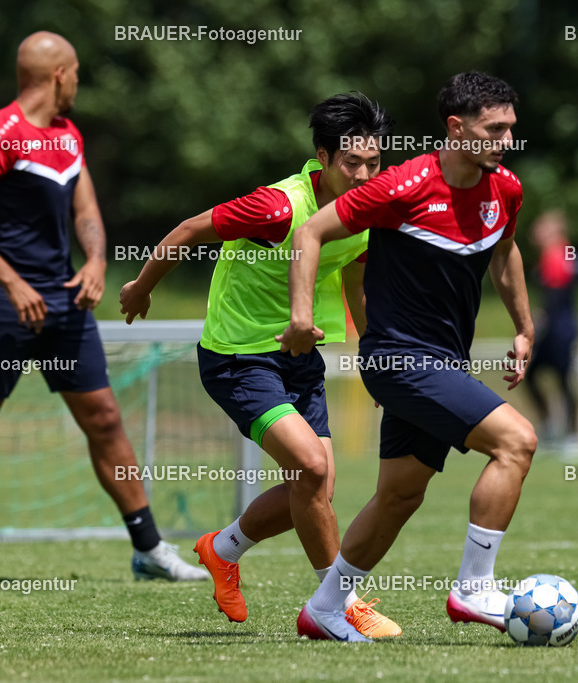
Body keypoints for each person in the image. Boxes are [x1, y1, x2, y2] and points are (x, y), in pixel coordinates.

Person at [0, 31, 208, 586]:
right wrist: (10, 281)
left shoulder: (67, 136)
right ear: (58, 75)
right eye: (75, 73)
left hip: (65, 303)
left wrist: (96, 260)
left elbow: (87, 209)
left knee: (104, 419)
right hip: (1, 304)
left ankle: (148, 549)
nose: (78, 83)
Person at [119, 93, 401, 638]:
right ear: (323, 156)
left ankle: (220, 549)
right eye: (352, 163)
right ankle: (340, 603)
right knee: (312, 472)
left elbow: (357, 284)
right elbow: (188, 231)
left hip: (298, 355)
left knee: (314, 485)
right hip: (237, 356)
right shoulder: (277, 208)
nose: (366, 175)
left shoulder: (368, 213)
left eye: (375, 163)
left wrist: (376, 359)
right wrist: (141, 288)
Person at [278, 71, 537, 642]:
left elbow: (506, 250)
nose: (505, 140)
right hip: (398, 359)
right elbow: (311, 233)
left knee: (399, 495)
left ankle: (324, 608)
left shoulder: (505, 190)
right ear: (456, 127)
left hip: (444, 360)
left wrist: (523, 327)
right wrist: (302, 315)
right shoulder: (403, 185)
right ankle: (474, 590)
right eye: (493, 129)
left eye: (510, 129)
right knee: (517, 441)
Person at [523, 211, 578, 459]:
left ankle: (572, 437)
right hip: (555, 327)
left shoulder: (558, 254)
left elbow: (555, 297)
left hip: (560, 328)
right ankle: (551, 428)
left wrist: (538, 321)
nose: (535, 233)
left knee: (563, 379)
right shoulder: (555, 255)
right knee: (533, 375)